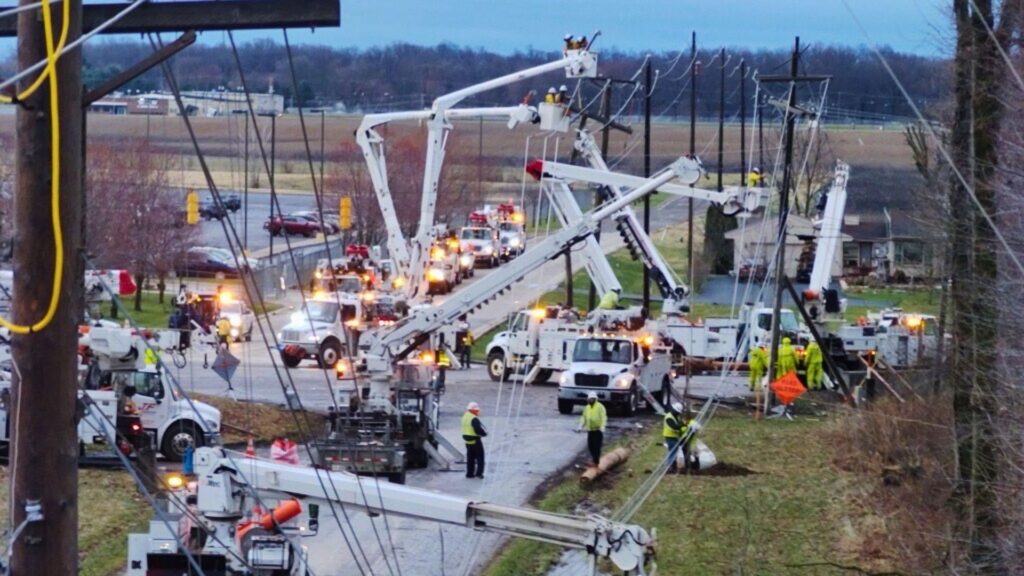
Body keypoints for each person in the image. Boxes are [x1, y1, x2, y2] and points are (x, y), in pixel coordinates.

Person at [576, 392, 607, 467]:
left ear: (595, 399)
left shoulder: (600, 407)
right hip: (590, 431)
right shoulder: (587, 408)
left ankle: (596, 462)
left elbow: (603, 417)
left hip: (598, 430)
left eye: (592, 399)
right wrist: (580, 426)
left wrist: (602, 426)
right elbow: (584, 417)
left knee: (597, 447)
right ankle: (594, 459)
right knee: (591, 446)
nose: (590, 400)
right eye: (589, 399)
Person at [462, 402, 487, 478]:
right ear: (473, 410)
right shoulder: (473, 418)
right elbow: (478, 429)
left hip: (467, 440)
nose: (478, 412)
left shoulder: (465, 416)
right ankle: (479, 473)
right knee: (480, 457)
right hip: (475, 440)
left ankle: (469, 474)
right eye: (477, 410)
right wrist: (484, 434)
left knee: (470, 458)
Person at [663, 402, 686, 473]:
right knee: (673, 451)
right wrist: (682, 425)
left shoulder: (675, 416)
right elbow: (674, 427)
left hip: (674, 436)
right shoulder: (669, 417)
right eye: (678, 412)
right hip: (669, 436)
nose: (678, 413)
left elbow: (678, 425)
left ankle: (673, 466)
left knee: (674, 450)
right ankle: (670, 467)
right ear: (674, 410)